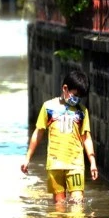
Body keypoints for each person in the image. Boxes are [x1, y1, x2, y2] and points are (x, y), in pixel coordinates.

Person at [21, 70, 99, 204]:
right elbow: (38, 133)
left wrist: (92, 163)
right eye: (75, 95)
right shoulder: (48, 107)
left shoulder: (82, 111)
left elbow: (86, 137)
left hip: (76, 164)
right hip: (55, 164)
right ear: (65, 88)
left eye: (80, 97)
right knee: (59, 206)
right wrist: (27, 159)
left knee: (77, 204)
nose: (77, 99)